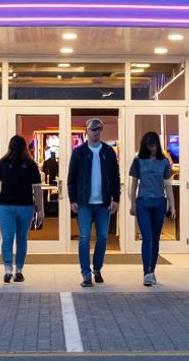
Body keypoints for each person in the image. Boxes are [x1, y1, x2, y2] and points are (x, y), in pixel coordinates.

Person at [67, 118, 120, 288]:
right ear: (87, 131)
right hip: (84, 203)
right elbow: (71, 178)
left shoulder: (108, 151)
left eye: (98, 130)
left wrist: (116, 198)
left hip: (103, 203)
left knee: (103, 238)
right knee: (84, 238)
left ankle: (97, 269)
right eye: (93, 129)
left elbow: (115, 177)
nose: (96, 132)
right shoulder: (79, 152)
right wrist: (72, 199)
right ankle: (86, 273)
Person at [0, 135, 44, 283]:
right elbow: (37, 190)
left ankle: (8, 269)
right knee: (21, 239)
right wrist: (41, 210)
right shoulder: (31, 165)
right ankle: (18, 270)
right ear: (25, 147)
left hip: (5, 206)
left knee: (7, 239)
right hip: (25, 206)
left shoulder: (2, 163)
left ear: (10, 146)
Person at [128, 130, 174, 286]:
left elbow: (168, 184)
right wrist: (132, 203)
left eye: (154, 145)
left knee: (155, 239)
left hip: (159, 202)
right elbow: (133, 183)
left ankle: (152, 271)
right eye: (149, 145)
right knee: (147, 237)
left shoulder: (164, 162)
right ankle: (146, 272)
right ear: (144, 145)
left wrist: (172, 205)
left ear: (158, 145)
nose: (152, 148)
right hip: (143, 203)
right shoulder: (138, 161)